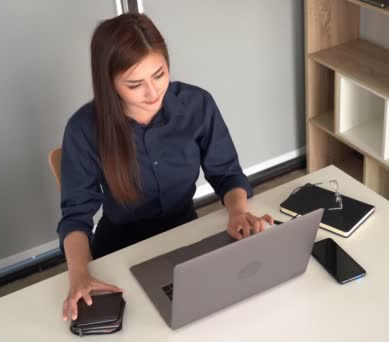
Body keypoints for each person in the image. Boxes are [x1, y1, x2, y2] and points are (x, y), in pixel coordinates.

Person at [58, 13, 274, 321]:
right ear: (109, 84)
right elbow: (76, 215)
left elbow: (227, 173)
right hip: (121, 250)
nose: (152, 92)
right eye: (135, 84)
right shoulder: (83, 129)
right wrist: (78, 273)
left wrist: (238, 211)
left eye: (159, 74)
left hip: (186, 234)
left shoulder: (197, 105)